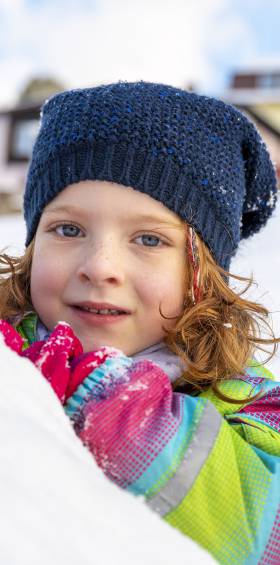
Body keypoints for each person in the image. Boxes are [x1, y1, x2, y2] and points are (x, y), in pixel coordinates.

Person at [0, 81, 280, 565]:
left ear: (203, 276)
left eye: (149, 240)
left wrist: (114, 406)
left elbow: (262, 527)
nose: (100, 265)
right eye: (68, 229)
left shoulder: (247, 398)